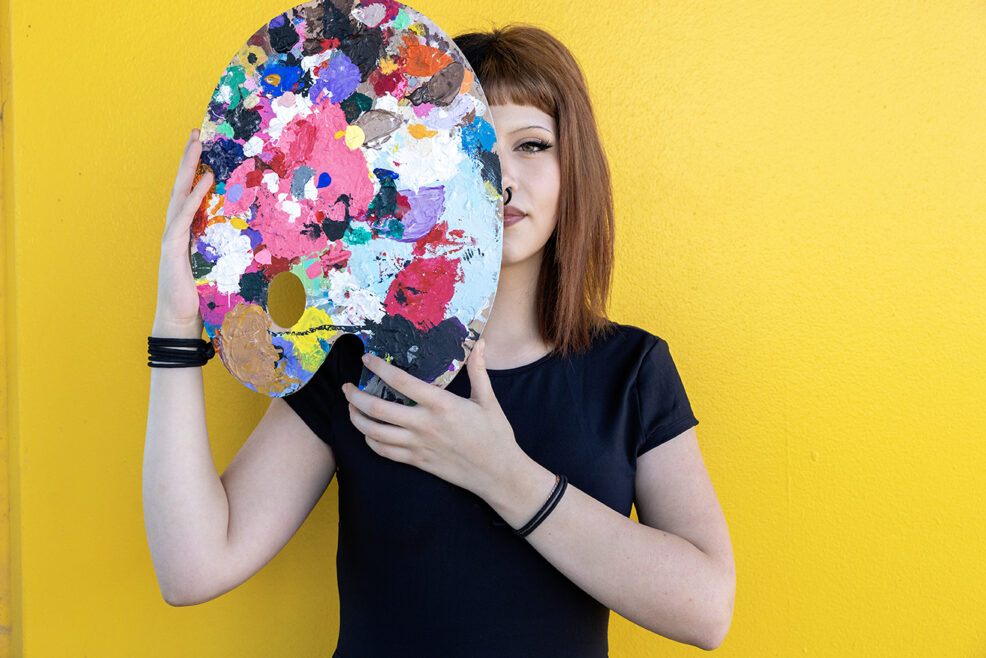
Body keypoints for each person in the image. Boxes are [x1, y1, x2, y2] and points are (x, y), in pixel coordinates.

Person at [144, 23, 734, 656]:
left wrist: (501, 474)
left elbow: (706, 610)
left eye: (531, 145)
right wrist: (176, 324)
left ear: (574, 170)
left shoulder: (631, 370)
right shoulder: (355, 356)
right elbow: (192, 568)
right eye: (466, 143)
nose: (499, 175)